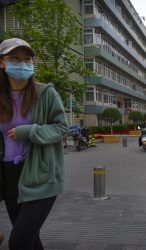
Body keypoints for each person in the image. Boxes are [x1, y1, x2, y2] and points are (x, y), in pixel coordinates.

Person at [0, 38, 68, 250]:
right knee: (30, 241)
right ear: (2, 62)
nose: (22, 64)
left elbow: (61, 128)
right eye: (14, 58)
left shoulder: (45, 93)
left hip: (41, 176)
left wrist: (29, 132)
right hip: (9, 176)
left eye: (27, 59)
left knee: (18, 241)